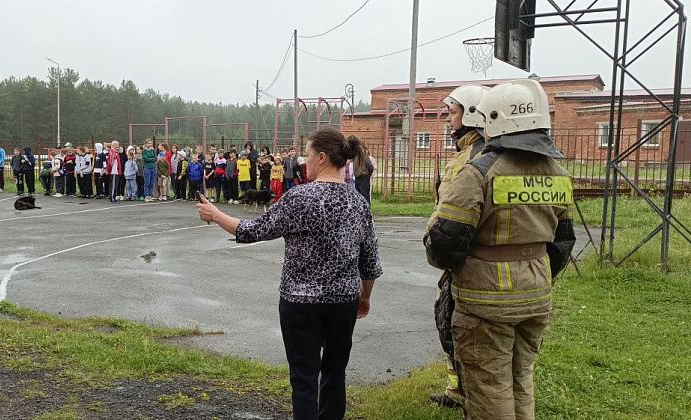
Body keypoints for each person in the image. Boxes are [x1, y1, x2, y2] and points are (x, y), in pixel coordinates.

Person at [196, 127, 381, 419]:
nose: (303, 163)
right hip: (343, 301)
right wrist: (365, 297)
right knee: (335, 374)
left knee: (304, 377)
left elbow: (253, 231)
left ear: (322, 157)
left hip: (299, 302)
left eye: (307, 156)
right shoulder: (358, 202)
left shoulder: (299, 198)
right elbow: (369, 260)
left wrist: (215, 215)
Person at [424, 79, 576, 420]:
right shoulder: (558, 173)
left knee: (489, 388)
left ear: (491, 120)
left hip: (485, 303)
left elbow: (444, 244)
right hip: (536, 296)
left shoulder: (478, 172)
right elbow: (563, 241)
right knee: (521, 380)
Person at [426, 84, 491, 409]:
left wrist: (437, 248)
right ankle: (457, 391)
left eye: (453, 113)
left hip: (467, 264)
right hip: (462, 263)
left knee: (456, 328)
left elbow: (455, 221)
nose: (449, 120)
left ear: (473, 114)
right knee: (446, 323)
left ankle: (469, 397)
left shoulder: (475, 159)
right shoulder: (472, 153)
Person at [349, 137, 375, 204]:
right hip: (358, 176)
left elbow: (370, 166)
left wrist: (368, 174)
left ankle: (367, 210)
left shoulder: (363, 154)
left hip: (364, 176)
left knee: (364, 195)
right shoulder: (355, 155)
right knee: (358, 194)